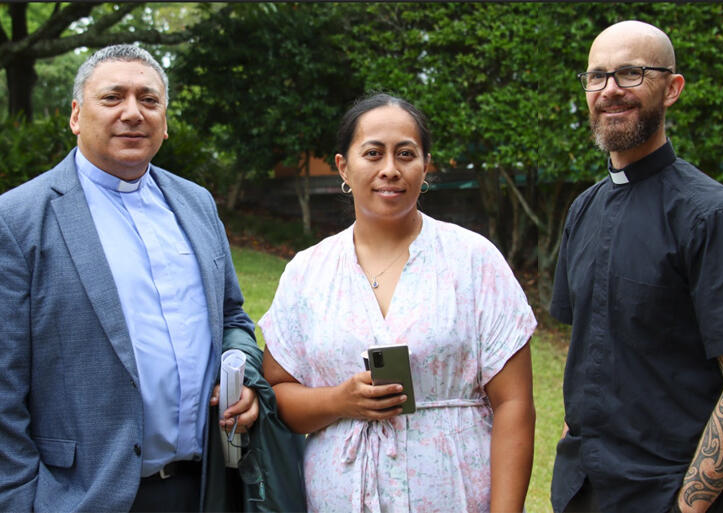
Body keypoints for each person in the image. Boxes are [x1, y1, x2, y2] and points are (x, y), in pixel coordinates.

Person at [0, 45, 261, 512]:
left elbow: (232, 317)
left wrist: (242, 370)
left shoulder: (196, 203)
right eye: (113, 97)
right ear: (76, 115)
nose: (132, 113)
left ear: (165, 119)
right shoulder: (18, 220)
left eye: (148, 100)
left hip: (202, 491)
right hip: (81, 497)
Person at [259, 93, 537, 513]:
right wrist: (338, 401)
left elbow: (514, 404)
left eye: (405, 154)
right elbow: (277, 392)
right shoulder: (307, 273)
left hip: (457, 494)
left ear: (426, 167)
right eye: (373, 153)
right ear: (343, 167)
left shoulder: (473, 261)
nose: (389, 169)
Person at [550, 20, 723, 513]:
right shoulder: (582, 210)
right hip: (581, 490)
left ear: (671, 89)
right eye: (597, 77)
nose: (610, 91)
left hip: (669, 495)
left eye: (630, 74)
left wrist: (687, 506)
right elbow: (585, 348)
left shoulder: (714, 217)